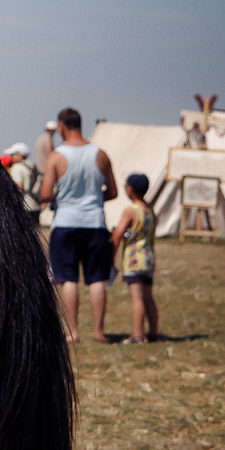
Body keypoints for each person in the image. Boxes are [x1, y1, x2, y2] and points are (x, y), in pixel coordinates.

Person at [39, 107, 117, 343]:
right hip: (95, 222)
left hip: (65, 222)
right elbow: (112, 192)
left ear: (62, 126)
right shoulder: (100, 154)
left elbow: (45, 193)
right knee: (96, 279)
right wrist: (93, 199)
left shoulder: (56, 156)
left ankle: (72, 332)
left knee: (68, 279)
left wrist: (62, 197)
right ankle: (99, 332)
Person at [111, 173, 159, 344]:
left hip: (134, 259)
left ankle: (138, 334)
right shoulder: (149, 210)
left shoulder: (130, 211)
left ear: (130, 189)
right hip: (148, 258)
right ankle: (153, 331)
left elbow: (118, 234)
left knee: (137, 297)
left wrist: (112, 256)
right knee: (148, 297)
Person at [5, 142, 42, 223]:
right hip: (35, 205)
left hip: (24, 206)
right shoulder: (31, 166)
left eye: (13, 154)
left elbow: (18, 188)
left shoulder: (17, 167)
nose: (11, 157)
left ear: (20, 155)